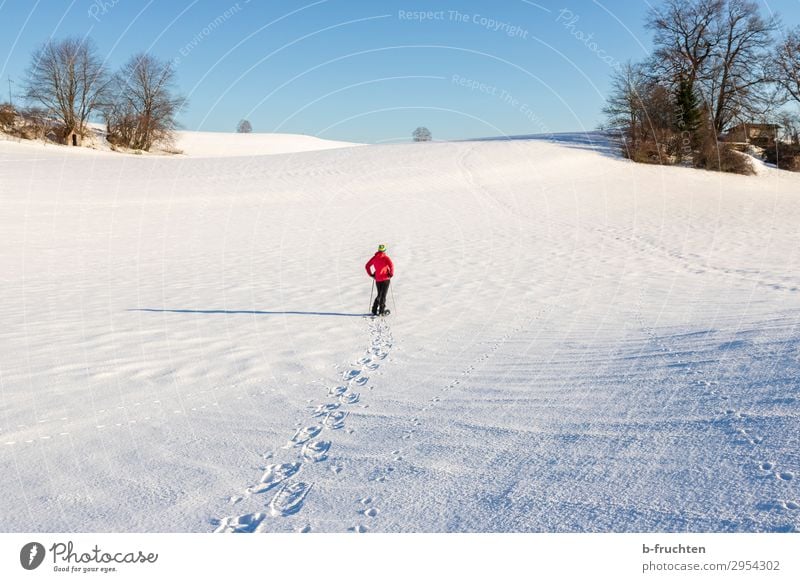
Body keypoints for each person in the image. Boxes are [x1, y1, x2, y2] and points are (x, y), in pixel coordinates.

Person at [365, 244, 394, 316]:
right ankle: (381, 311)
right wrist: (391, 274)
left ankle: (374, 309)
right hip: (386, 279)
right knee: (383, 295)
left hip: (378, 279)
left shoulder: (374, 258)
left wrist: (371, 274)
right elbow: (391, 265)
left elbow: (367, 266)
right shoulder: (386, 258)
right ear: (384, 251)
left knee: (379, 294)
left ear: (378, 250)